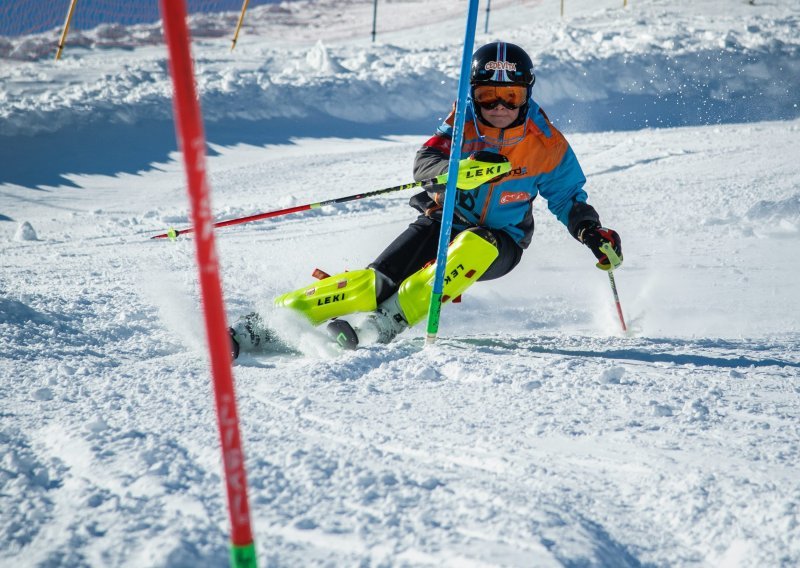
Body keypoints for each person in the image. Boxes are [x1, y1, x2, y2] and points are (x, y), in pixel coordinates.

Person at [229, 41, 622, 358]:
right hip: (446, 217)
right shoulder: (462, 121)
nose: (500, 108)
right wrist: (458, 170)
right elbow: (425, 162)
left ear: (527, 94)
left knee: (475, 244)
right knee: (373, 283)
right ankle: (257, 327)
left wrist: (591, 232)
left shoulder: (546, 144)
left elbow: (568, 197)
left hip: (501, 241)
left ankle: (379, 326)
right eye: (488, 97)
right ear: (474, 95)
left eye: (511, 96)